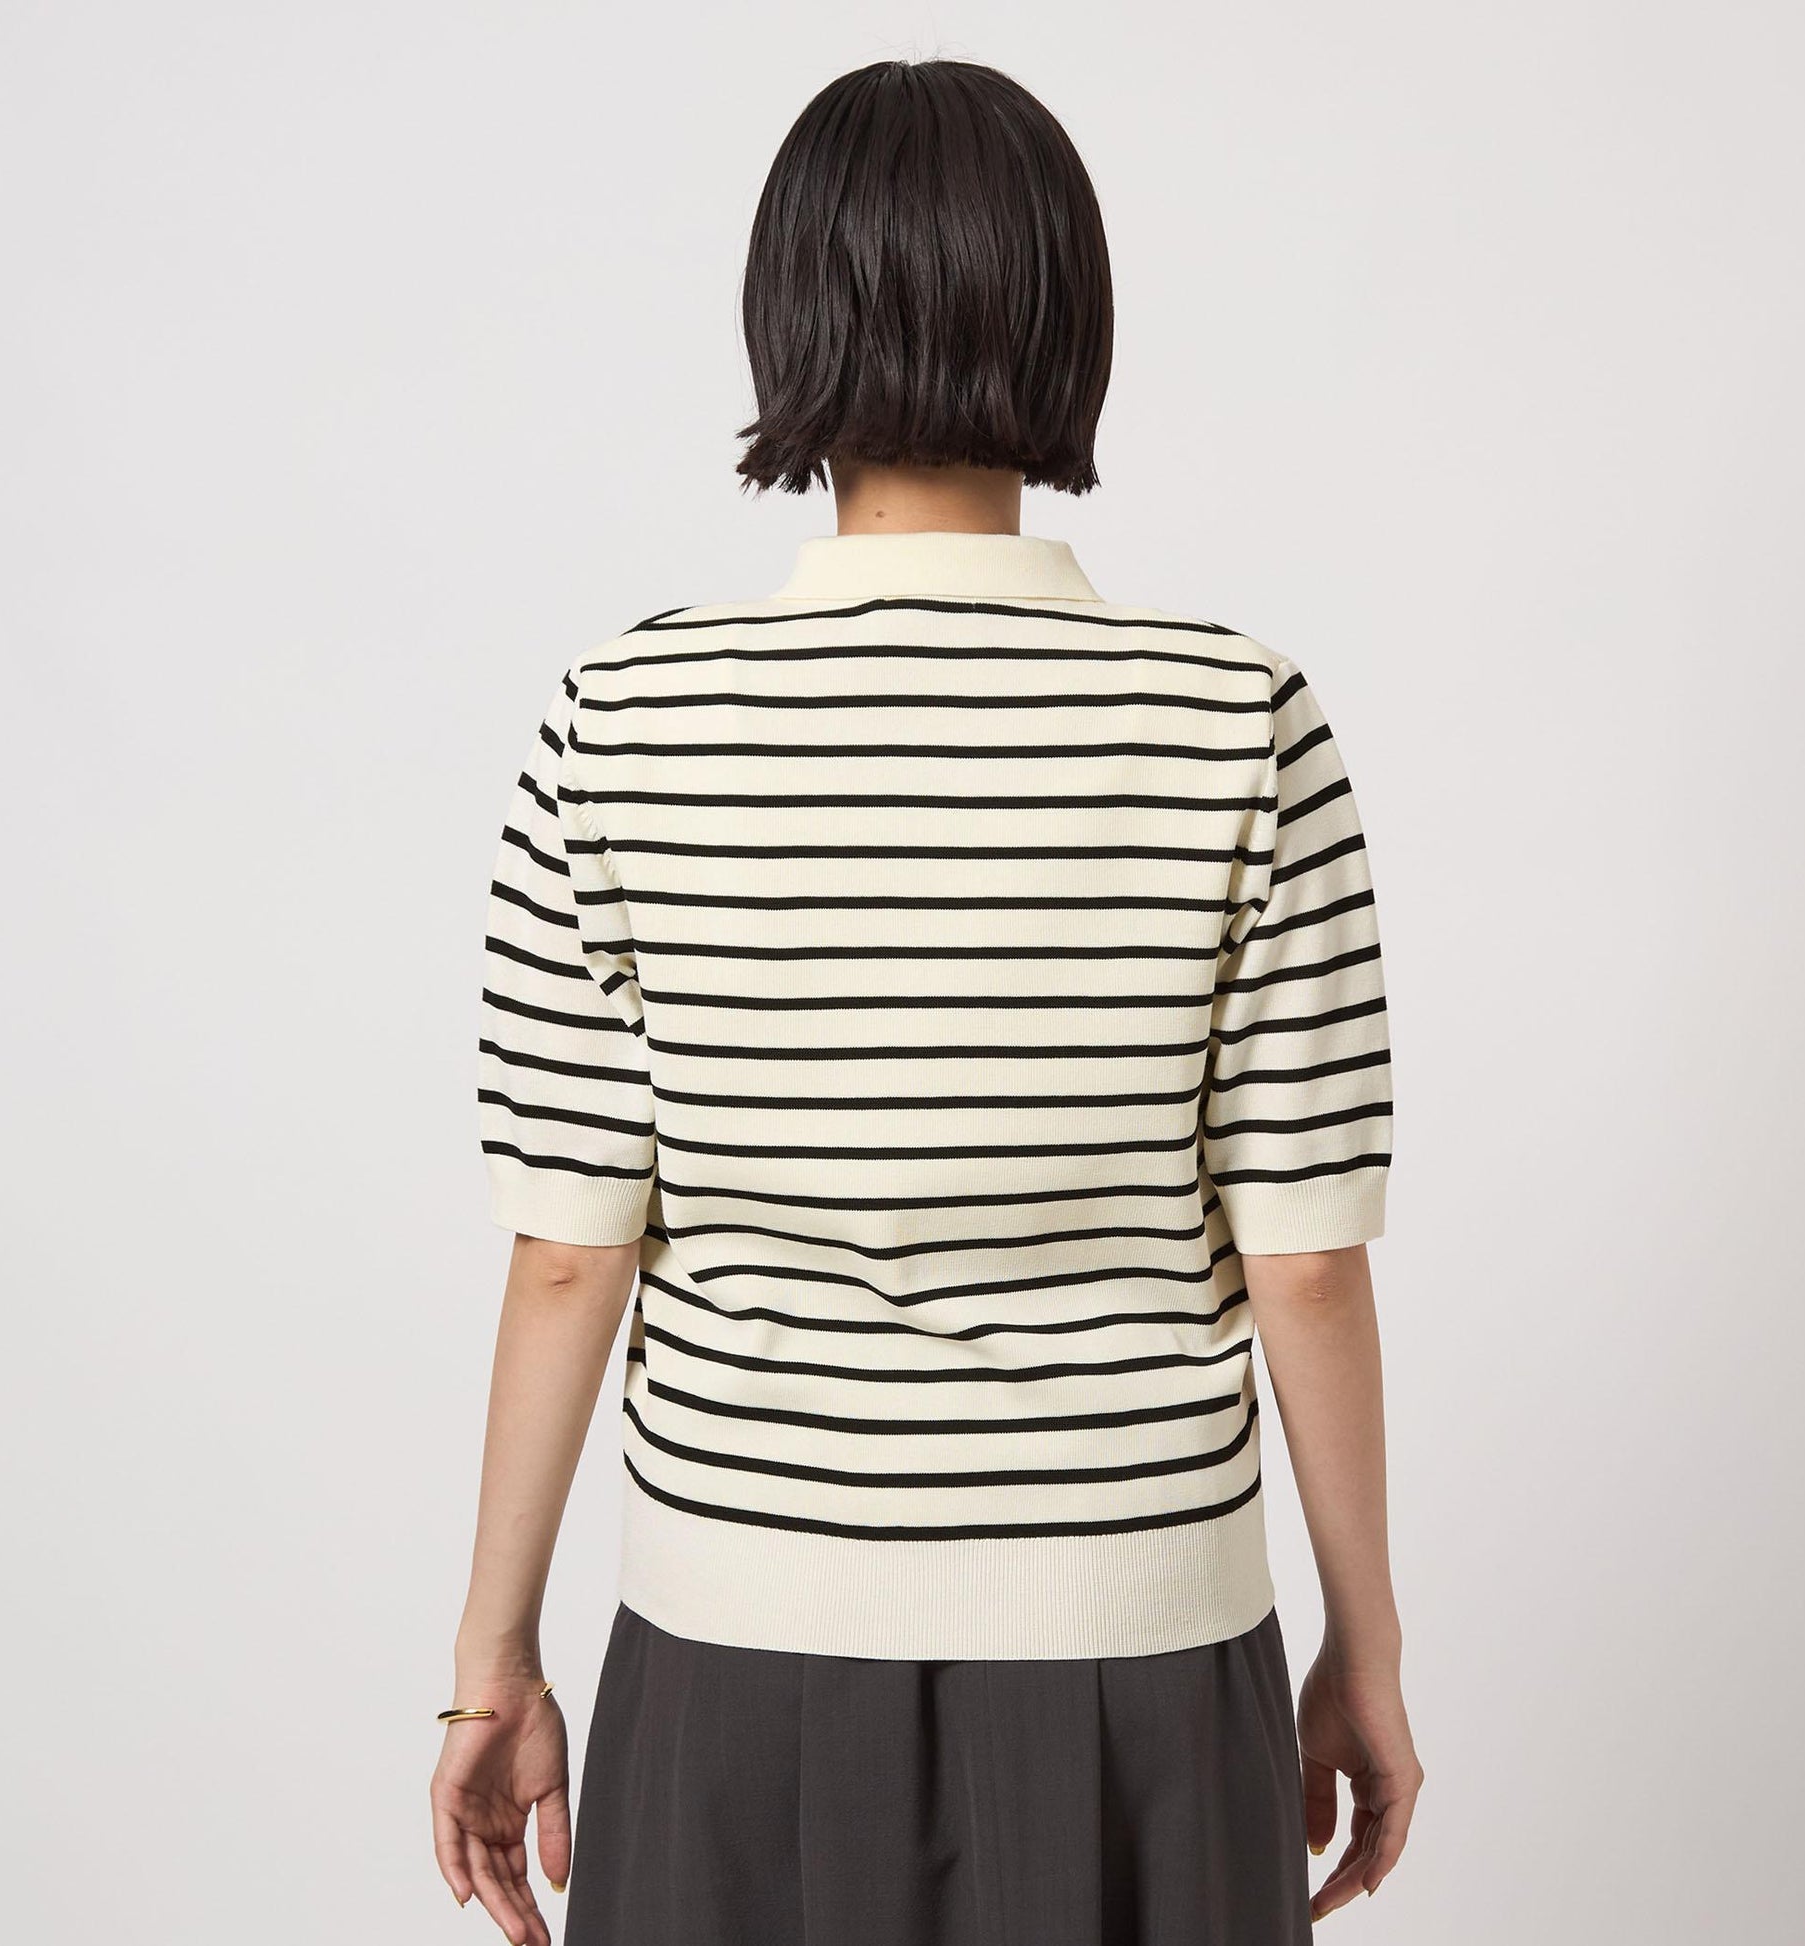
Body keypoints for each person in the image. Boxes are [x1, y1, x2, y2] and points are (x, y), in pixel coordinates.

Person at [431, 56, 1421, 1946]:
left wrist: (492, 1666)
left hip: (732, 1652)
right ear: (1067, 319)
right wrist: (1363, 1648)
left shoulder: (621, 717)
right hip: (1142, 1652)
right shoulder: (1236, 716)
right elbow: (1300, 1256)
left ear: (787, 318)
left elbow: (569, 1251)